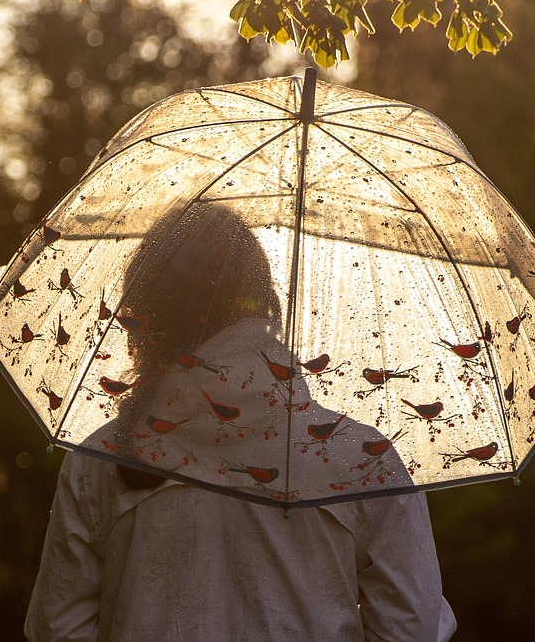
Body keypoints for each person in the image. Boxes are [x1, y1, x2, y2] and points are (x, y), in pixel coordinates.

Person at [24, 203, 457, 641]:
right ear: (263, 305)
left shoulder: (102, 461)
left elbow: (58, 629)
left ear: (145, 317)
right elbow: (412, 628)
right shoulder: (361, 460)